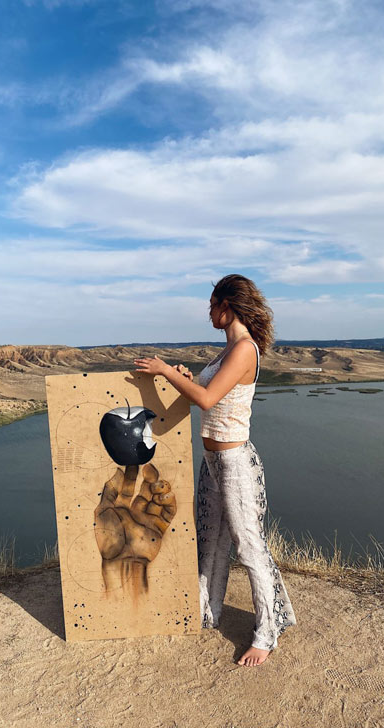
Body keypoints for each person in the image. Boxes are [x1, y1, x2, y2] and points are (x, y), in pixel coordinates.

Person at [134, 273, 296, 666]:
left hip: (235, 462)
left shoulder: (243, 349)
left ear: (228, 306)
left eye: (212, 305)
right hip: (213, 460)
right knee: (210, 538)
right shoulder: (225, 352)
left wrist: (166, 371)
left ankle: (267, 632)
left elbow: (207, 401)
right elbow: (204, 395)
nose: (208, 312)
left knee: (248, 544)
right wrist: (184, 379)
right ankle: (207, 610)